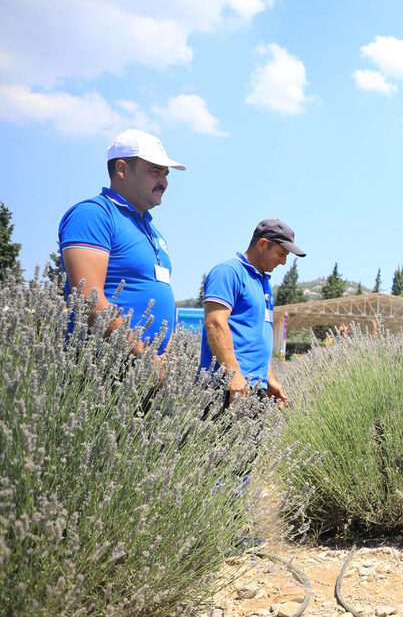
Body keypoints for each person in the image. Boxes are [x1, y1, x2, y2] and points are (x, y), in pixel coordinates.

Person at [58, 129, 186, 355]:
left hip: (151, 376)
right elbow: (89, 299)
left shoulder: (153, 231)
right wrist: (146, 361)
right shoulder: (93, 215)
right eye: (155, 171)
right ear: (122, 169)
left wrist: (169, 361)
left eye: (166, 174)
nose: (163, 182)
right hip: (103, 373)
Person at [201, 219, 306, 408]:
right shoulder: (228, 273)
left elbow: (259, 335)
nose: (283, 262)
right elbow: (215, 323)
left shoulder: (263, 283)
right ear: (263, 244)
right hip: (226, 386)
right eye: (281, 254)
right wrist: (233, 376)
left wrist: (269, 378)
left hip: (254, 386)